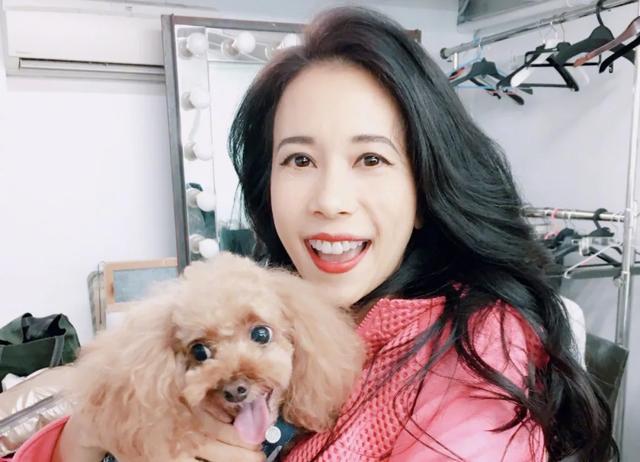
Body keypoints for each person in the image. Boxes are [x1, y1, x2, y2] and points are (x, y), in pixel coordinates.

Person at [17, 6, 615, 462]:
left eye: (371, 159)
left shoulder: (479, 352)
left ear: (424, 190)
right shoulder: (294, 299)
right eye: (299, 160)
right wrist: (80, 438)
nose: (329, 200)